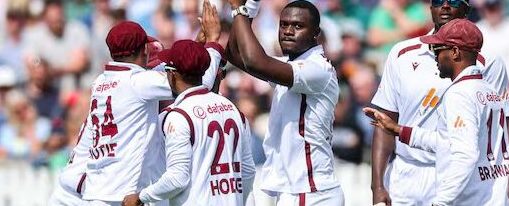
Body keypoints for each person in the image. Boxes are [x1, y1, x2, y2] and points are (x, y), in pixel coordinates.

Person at [48, 18, 224, 205]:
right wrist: (212, 43)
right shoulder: (138, 83)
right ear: (144, 50)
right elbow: (195, 83)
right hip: (117, 197)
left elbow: (176, 75)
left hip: (95, 192)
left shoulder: (100, 82)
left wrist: (195, 48)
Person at [369, 0, 509, 205]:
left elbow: (502, 133)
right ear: (430, 8)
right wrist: (377, 187)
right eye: (438, 1)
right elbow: (388, 123)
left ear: (467, 9)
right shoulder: (401, 53)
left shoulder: (488, 63)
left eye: (454, 0)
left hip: (458, 176)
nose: (445, 6)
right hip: (405, 175)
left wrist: (508, 195)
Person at [225, 0, 344, 205]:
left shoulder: (316, 69)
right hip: (299, 190)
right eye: (284, 24)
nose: (288, 31)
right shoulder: (291, 65)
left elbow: (254, 61)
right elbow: (236, 54)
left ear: (316, 34)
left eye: (298, 26)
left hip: (310, 192)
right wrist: (250, 6)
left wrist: (239, 10)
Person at [121, 38, 256, 206]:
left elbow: (177, 179)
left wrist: (141, 197)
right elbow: (248, 172)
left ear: (172, 73)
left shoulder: (178, 116)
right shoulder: (233, 109)